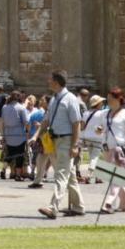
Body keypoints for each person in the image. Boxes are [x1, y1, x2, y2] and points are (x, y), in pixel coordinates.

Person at [37, 70, 85, 219]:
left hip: (66, 141)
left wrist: (75, 145)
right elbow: (46, 120)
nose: (48, 81)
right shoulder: (54, 99)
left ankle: (53, 207)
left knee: (61, 175)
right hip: (54, 140)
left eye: (50, 79)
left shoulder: (70, 99)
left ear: (56, 82)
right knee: (69, 175)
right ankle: (78, 207)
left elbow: (76, 123)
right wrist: (35, 135)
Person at [100, 87, 125, 214]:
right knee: (114, 178)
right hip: (106, 149)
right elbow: (100, 129)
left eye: (110, 99)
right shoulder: (105, 113)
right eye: (108, 99)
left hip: (118, 150)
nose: (108, 101)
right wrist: (99, 130)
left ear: (118, 99)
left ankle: (109, 202)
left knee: (116, 179)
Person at [1, 91, 28, 181]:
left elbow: (3, 122)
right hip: (19, 134)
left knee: (10, 154)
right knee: (20, 155)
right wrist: (27, 132)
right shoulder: (21, 108)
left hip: (8, 133)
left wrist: (4, 135)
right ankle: (17, 175)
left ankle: (3, 169)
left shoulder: (4, 107)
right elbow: (26, 122)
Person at [79, 95, 105, 184]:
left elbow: (82, 126)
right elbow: (103, 125)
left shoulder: (86, 113)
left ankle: (98, 177)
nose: (102, 104)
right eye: (101, 102)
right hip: (97, 138)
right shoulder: (102, 113)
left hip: (87, 138)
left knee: (92, 157)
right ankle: (89, 175)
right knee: (95, 157)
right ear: (98, 104)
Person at [27, 95, 51, 189]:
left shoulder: (51, 112)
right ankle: (38, 181)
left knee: (55, 161)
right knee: (39, 160)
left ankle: (66, 182)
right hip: (43, 140)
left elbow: (53, 126)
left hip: (51, 141)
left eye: (43, 100)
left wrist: (41, 125)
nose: (40, 101)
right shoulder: (45, 112)